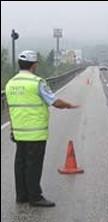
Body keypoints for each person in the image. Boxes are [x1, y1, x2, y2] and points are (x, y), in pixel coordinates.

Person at [5, 50, 79, 207]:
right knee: (34, 164)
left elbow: (11, 108)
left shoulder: (10, 83)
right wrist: (69, 105)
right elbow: (54, 101)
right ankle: (35, 197)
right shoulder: (37, 82)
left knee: (20, 163)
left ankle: (22, 195)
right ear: (34, 65)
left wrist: (13, 129)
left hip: (18, 132)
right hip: (35, 132)